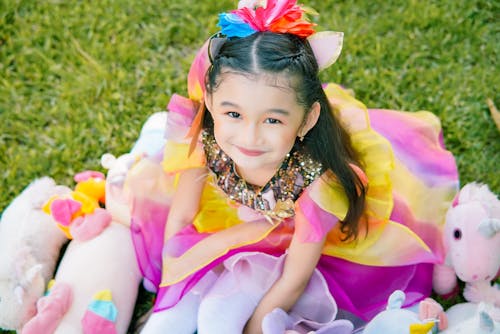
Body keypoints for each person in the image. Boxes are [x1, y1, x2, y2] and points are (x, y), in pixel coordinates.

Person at [124, 0, 459, 333]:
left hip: (292, 249)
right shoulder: (205, 138)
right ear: (211, 104)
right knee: (175, 318)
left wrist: (253, 329)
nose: (249, 137)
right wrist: (170, 290)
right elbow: (181, 220)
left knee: (221, 321)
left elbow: (294, 279)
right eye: (233, 114)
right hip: (229, 225)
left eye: (272, 119)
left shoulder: (317, 182)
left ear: (306, 119)